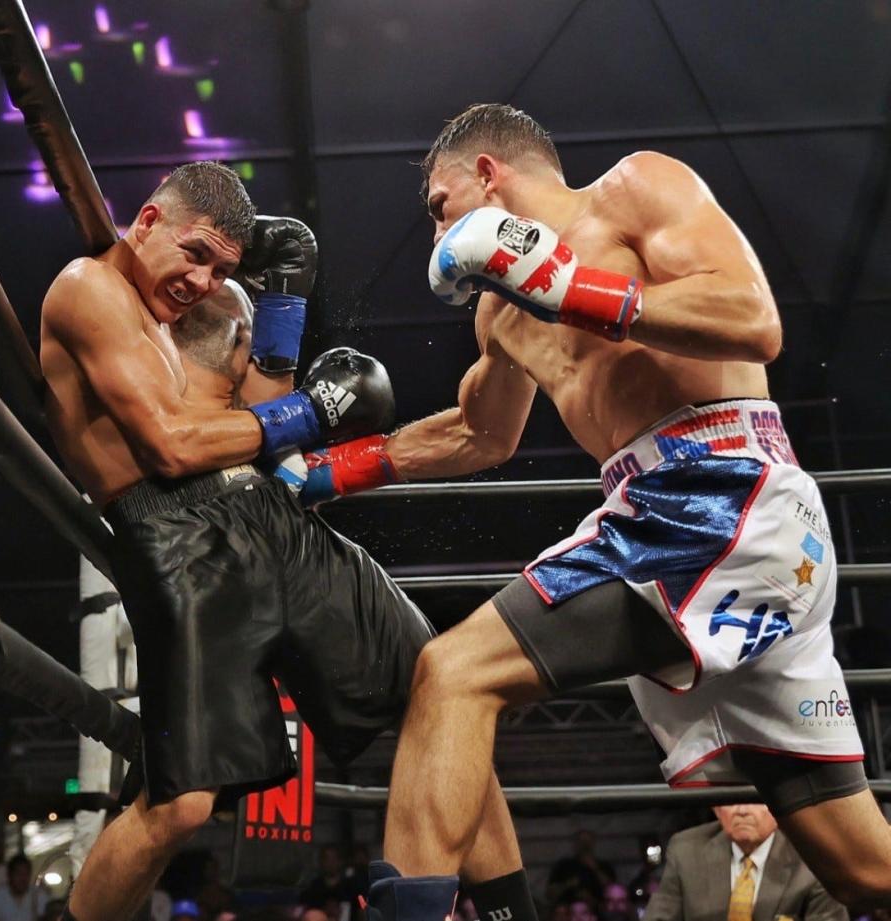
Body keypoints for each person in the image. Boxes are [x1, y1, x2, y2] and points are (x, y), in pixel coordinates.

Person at [292, 104, 891, 915]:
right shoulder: (499, 310)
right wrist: (320, 473)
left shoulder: (636, 190)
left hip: (724, 498)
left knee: (453, 672)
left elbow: (755, 323)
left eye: (439, 204)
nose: (434, 231)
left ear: (487, 175)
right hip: (676, 527)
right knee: (864, 870)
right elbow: (480, 433)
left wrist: (576, 288)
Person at [40, 161, 532, 921]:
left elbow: (259, 426)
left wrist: (284, 302)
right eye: (194, 253)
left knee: (446, 691)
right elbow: (171, 446)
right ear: (145, 222)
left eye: (222, 267)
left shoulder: (223, 299)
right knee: (182, 806)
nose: (202, 280)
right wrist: (315, 412)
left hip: (272, 514)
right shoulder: (87, 290)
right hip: (175, 538)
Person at [644, 803, 848, 920]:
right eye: (731, 799)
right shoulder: (687, 850)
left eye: (754, 799)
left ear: (777, 805)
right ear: (716, 808)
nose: (742, 810)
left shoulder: (813, 854)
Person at [0, 854, 48, 921]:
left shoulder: (39, 895)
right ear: (9, 875)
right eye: (18, 873)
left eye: (26, 874)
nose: (22, 878)